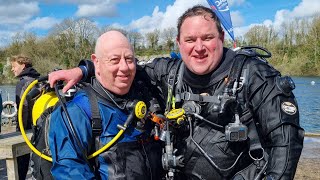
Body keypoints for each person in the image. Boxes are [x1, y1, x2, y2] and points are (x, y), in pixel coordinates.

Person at [49, 5, 304, 180]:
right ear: (179, 44)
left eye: (207, 38)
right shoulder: (169, 72)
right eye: (190, 40)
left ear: (221, 37)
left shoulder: (255, 76)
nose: (199, 47)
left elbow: (286, 146)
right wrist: (85, 70)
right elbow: (123, 66)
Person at [48, 30, 163, 179]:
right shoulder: (76, 112)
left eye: (129, 59)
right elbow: (70, 172)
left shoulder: (144, 96)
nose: (124, 67)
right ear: (96, 62)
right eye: (114, 60)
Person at [10, 54, 40, 180]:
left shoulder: (22, 83)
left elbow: (23, 108)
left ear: (23, 66)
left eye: (14, 66)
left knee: (21, 164)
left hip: (27, 128)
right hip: (40, 126)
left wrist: (20, 130)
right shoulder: (39, 79)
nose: (12, 69)